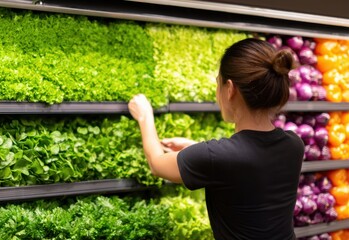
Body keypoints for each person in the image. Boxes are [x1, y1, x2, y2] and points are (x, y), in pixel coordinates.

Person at [128, 38, 305, 240]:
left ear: (230, 89)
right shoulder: (294, 144)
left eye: (217, 83)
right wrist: (194, 148)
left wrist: (145, 116)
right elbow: (249, 169)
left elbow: (157, 164)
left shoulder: (217, 157)